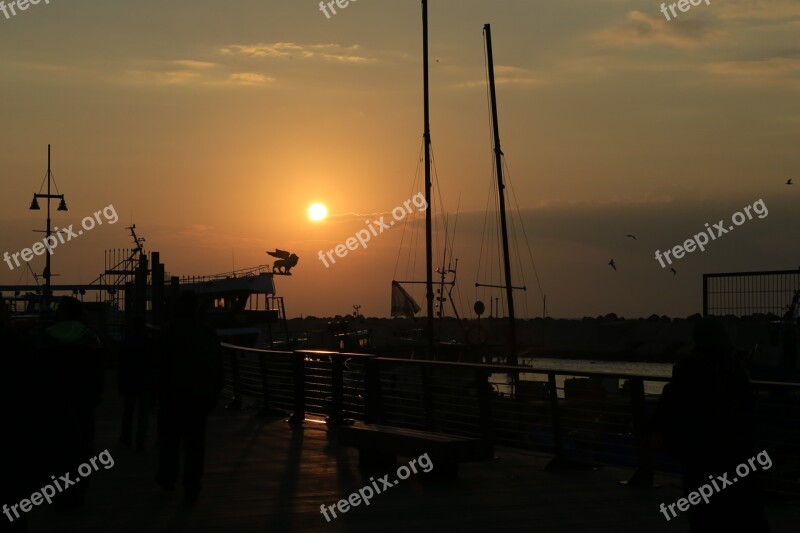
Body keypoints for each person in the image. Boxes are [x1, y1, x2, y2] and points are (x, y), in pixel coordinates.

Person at [651, 317, 771, 532]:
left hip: (701, 453)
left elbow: (673, 407)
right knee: (747, 513)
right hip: (737, 451)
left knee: (703, 515)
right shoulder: (736, 367)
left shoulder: (688, 368)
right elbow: (748, 411)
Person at [32, 296, 105, 510]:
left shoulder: (42, 339)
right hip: (82, 405)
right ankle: (77, 493)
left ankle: (57, 494)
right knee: (81, 451)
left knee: (53, 450)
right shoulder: (91, 338)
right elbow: (98, 377)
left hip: (51, 406)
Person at [155, 290, 223, 504]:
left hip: (172, 396)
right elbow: (217, 367)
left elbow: (158, 366)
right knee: (195, 445)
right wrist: (214, 394)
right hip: (198, 398)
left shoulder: (167, 332)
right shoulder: (207, 333)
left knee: (170, 441)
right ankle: (192, 486)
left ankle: (168, 478)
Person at [119, 316, 154, 450]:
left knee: (128, 411)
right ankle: (140, 440)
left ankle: (126, 437)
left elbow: (122, 365)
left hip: (129, 381)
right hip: (144, 381)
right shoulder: (148, 343)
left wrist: (120, 383)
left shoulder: (127, 343)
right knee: (143, 413)